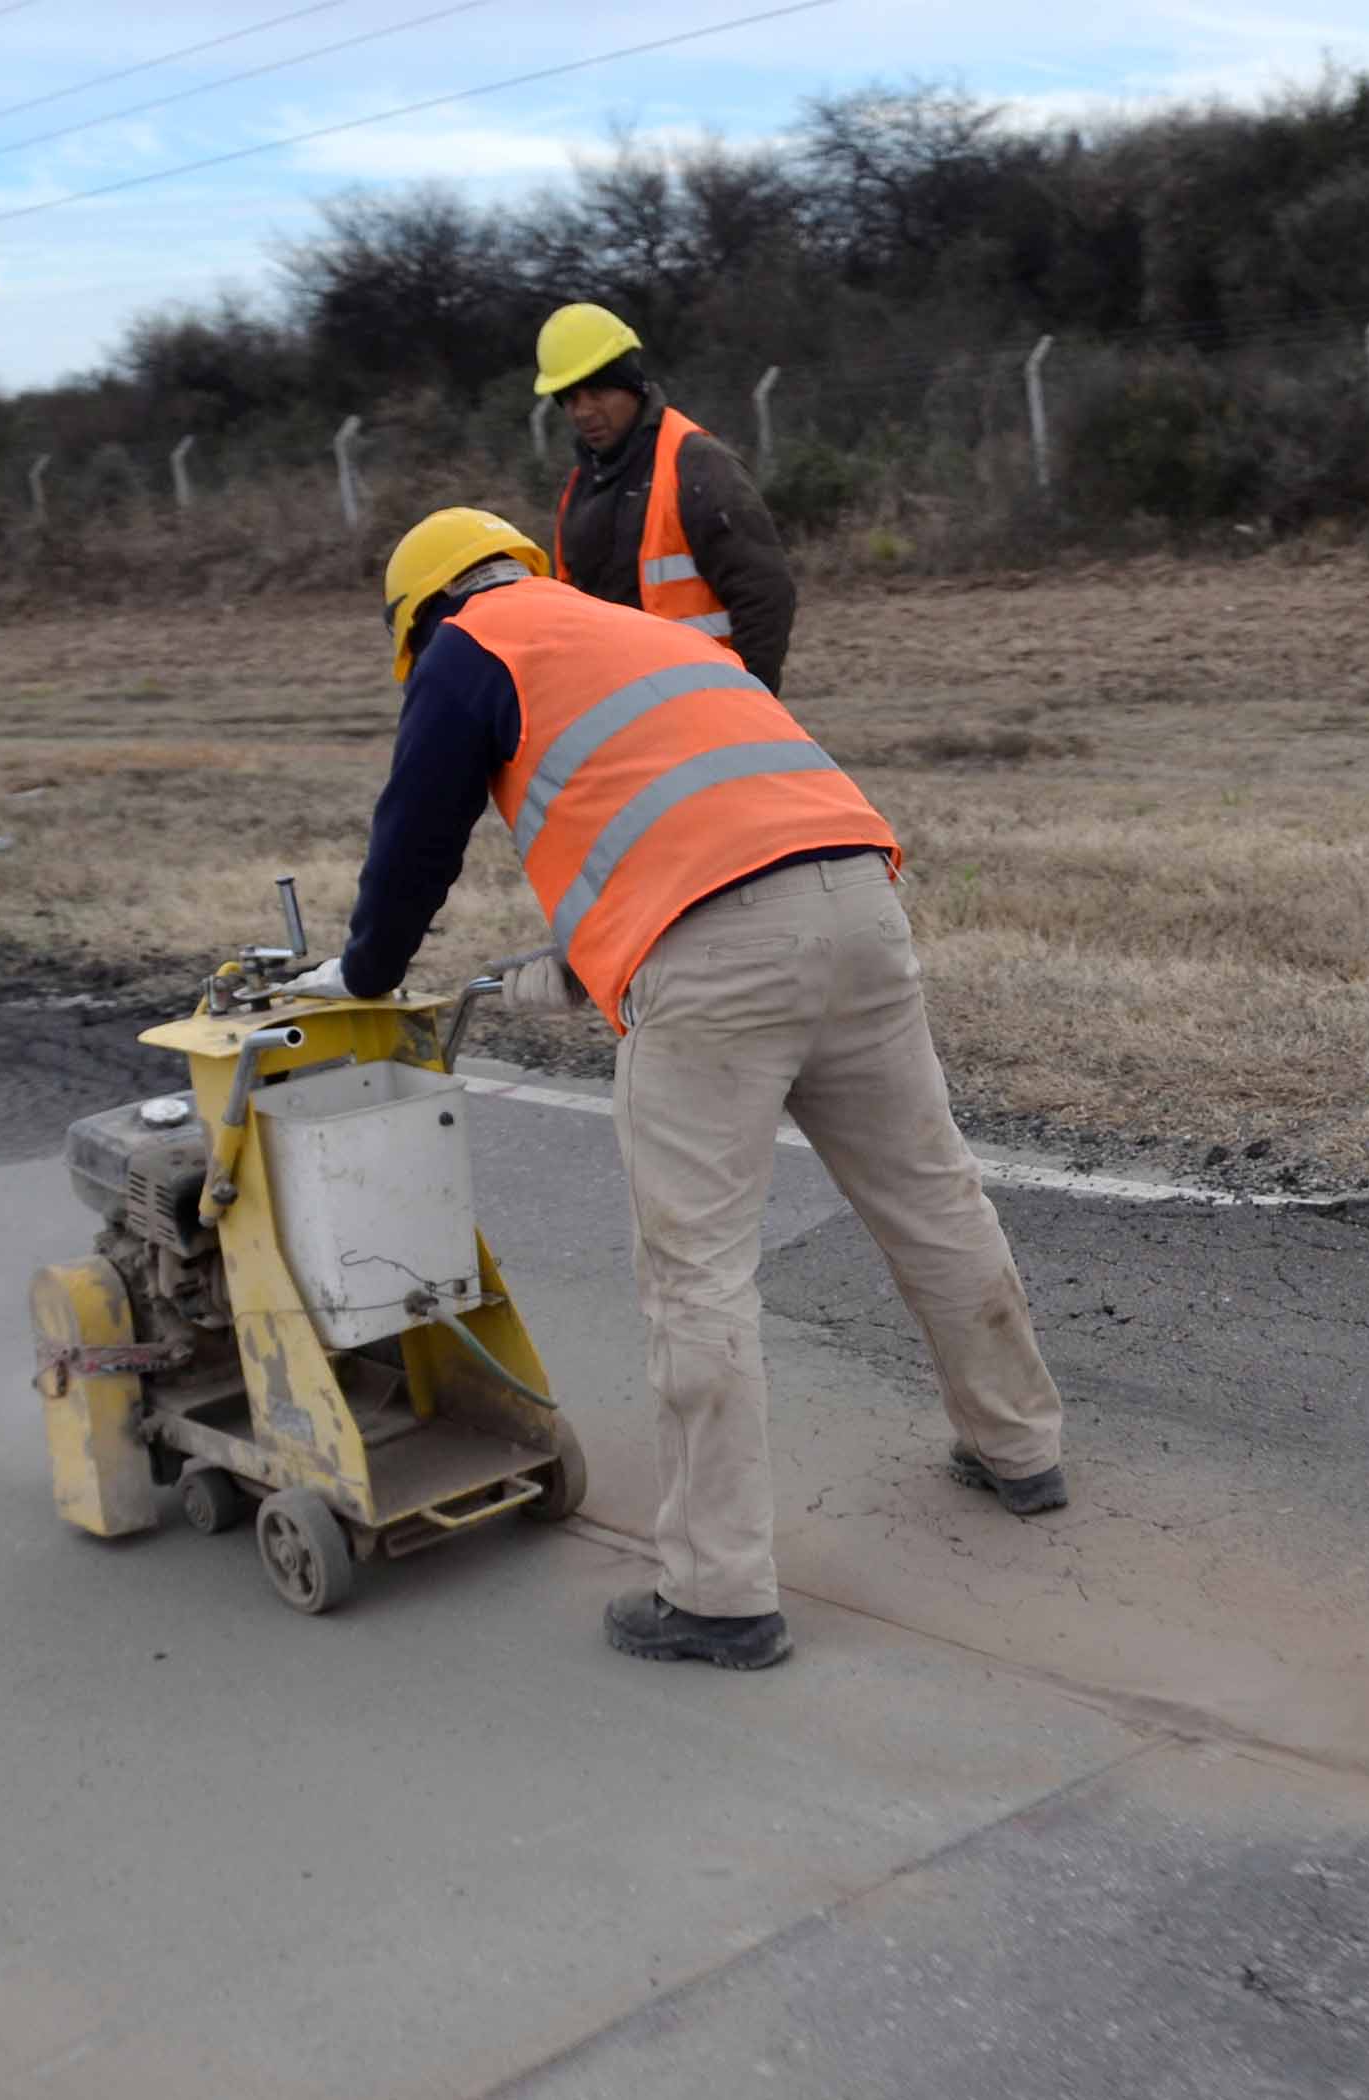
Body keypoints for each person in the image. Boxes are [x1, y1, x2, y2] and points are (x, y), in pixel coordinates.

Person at [278, 507, 1067, 1671]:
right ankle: (1021, 1447)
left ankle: (719, 1594)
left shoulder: (469, 647)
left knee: (695, 1271)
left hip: (719, 956)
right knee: (932, 1196)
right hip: (859, 899)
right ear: (523, 567)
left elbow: (416, 842)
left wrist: (363, 971)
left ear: (423, 613)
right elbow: (696, 825)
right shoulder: (642, 634)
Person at [534, 301, 797, 693]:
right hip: (622, 716)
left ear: (631, 384)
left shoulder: (699, 466)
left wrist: (749, 705)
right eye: (570, 398)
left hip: (705, 711)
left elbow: (765, 596)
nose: (583, 411)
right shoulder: (580, 486)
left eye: (598, 391)